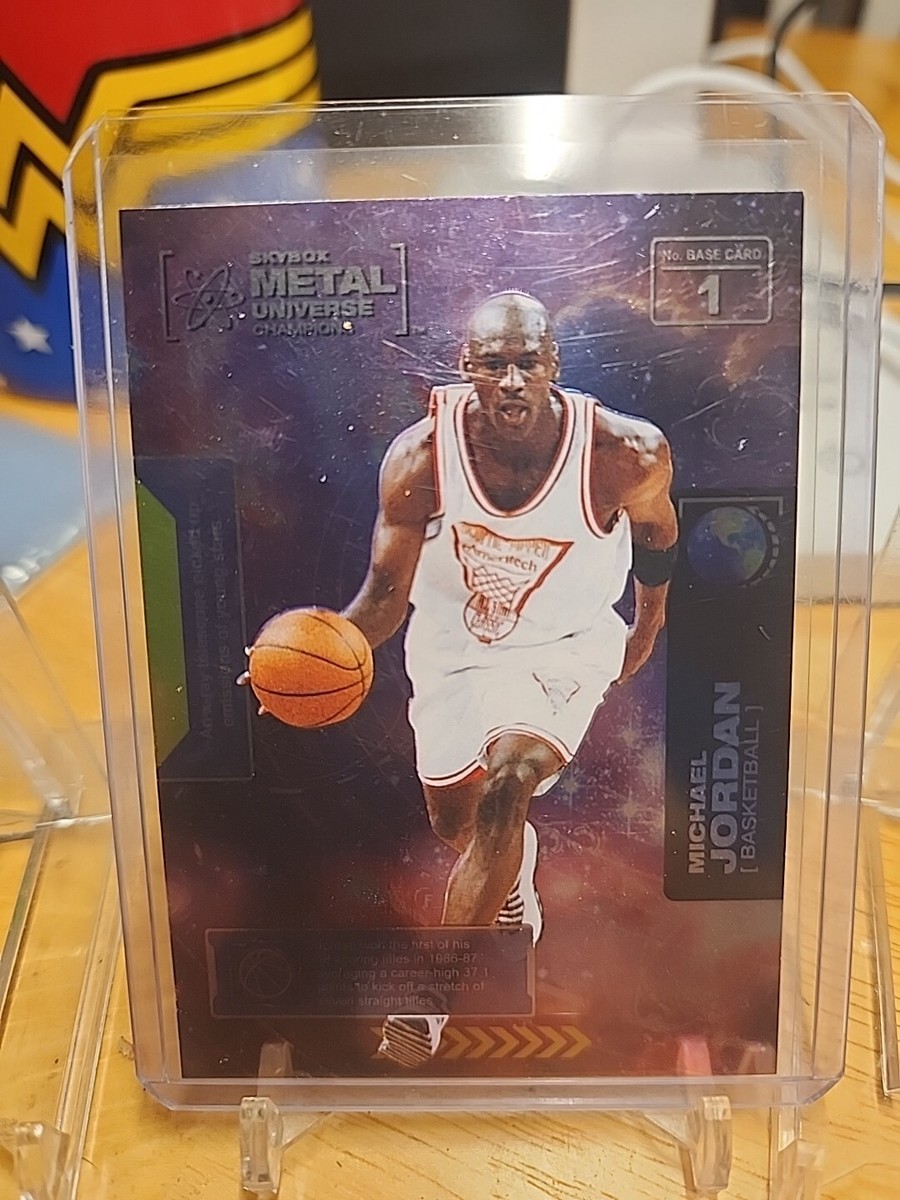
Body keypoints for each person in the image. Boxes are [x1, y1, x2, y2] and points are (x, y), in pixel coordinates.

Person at [338, 290, 679, 1066]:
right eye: (495, 364)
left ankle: (429, 997)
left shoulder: (623, 451)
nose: (514, 380)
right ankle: (511, 878)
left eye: (529, 362)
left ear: (554, 363)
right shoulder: (421, 459)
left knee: (510, 780)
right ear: (468, 368)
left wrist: (647, 625)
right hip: (455, 644)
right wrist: (328, 641)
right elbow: (384, 596)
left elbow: (659, 533)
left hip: (565, 643)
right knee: (458, 826)